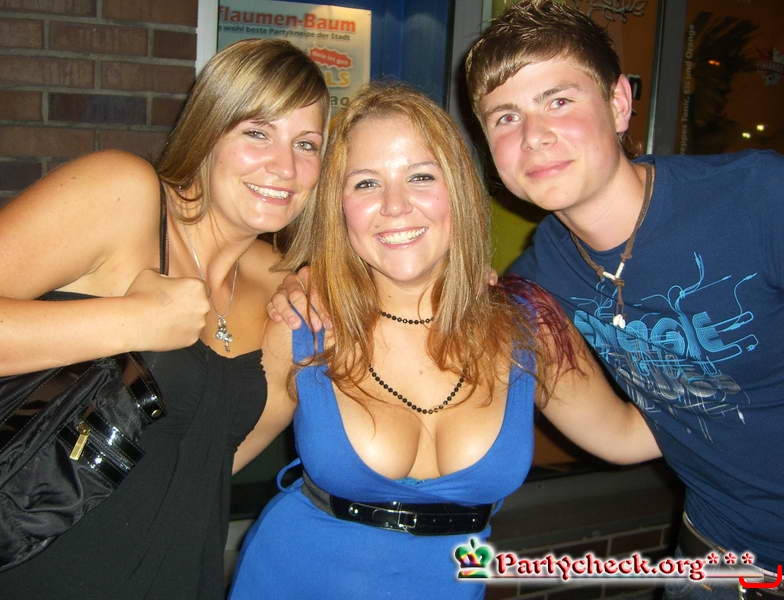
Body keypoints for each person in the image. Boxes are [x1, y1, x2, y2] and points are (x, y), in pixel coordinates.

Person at [230, 83, 660, 600]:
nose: (394, 206)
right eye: (365, 183)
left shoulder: (529, 325)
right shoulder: (304, 323)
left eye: (420, 176)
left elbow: (626, 436)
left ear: (458, 190)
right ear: (338, 207)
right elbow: (209, 463)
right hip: (293, 578)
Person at [0, 39, 328, 598]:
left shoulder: (276, 282)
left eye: (306, 144)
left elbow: (212, 458)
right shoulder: (126, 196)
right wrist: (130, 321)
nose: (285, 167)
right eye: (257, 132)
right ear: (208, 130)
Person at [463, 1, 784, 597]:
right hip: (717, 564)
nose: (534, 136)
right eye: (505, 117)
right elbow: (624, 434)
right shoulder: (540, 283)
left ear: (617, 104)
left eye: (559, 101)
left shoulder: (756, 199)